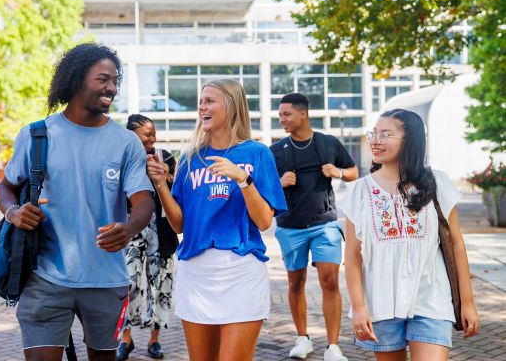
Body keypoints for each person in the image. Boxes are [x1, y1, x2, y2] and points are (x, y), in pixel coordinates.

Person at [0, 43, 154, 361]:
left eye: (115, 80)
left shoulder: (126, 143)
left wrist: (129, 227)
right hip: (44, 277)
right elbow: (6, 187)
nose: (111, 87)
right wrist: (13, 213)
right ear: (77, 79)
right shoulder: (36, 135)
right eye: (103, 79)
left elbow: (143, 201)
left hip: (106, 280)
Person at [146, 78, 287, 360]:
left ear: (232, 106)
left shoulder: (257, 153)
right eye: (200, 102)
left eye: (209, 101)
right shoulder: (189, 158)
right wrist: (161, 184)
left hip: (241, 270)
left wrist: (243, 179)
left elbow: (263, 222)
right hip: (197, 272)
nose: (202, 108)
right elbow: (179, 225)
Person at [341, 109, 479, 361]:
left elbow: (457, 245)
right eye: (374, 133)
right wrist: (359, 308)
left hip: (432, 300)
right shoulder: (360, 191)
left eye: (386, 134)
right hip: (381, 305)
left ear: (410, 141)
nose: (375, 140)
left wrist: (467, 302)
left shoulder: (436, 182)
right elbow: (352, 256)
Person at [270, 93, 358, 361]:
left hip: (324, 224)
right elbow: (260, 187)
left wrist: (339, 172)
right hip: (290, 226)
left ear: (302, 114)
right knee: (295, 282)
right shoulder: (275, 151)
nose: (282, 119)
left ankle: (332, 347)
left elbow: (354, 171)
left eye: (286, 114)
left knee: (330, 281)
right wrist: (279, 182)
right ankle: (302, 339)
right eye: (280, 115)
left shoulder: (328, 143)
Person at [117, 114, 178, 360]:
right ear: (131, 134)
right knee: (128, 284)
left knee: (160, 286)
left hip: (162, 234)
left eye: (154, 134)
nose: (152, 139)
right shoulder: (121, 158)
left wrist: (166, 176)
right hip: (131, 232)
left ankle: (154, 340)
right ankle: (126, 339)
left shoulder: (167, 157)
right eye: (147, 134)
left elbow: (179, 194)